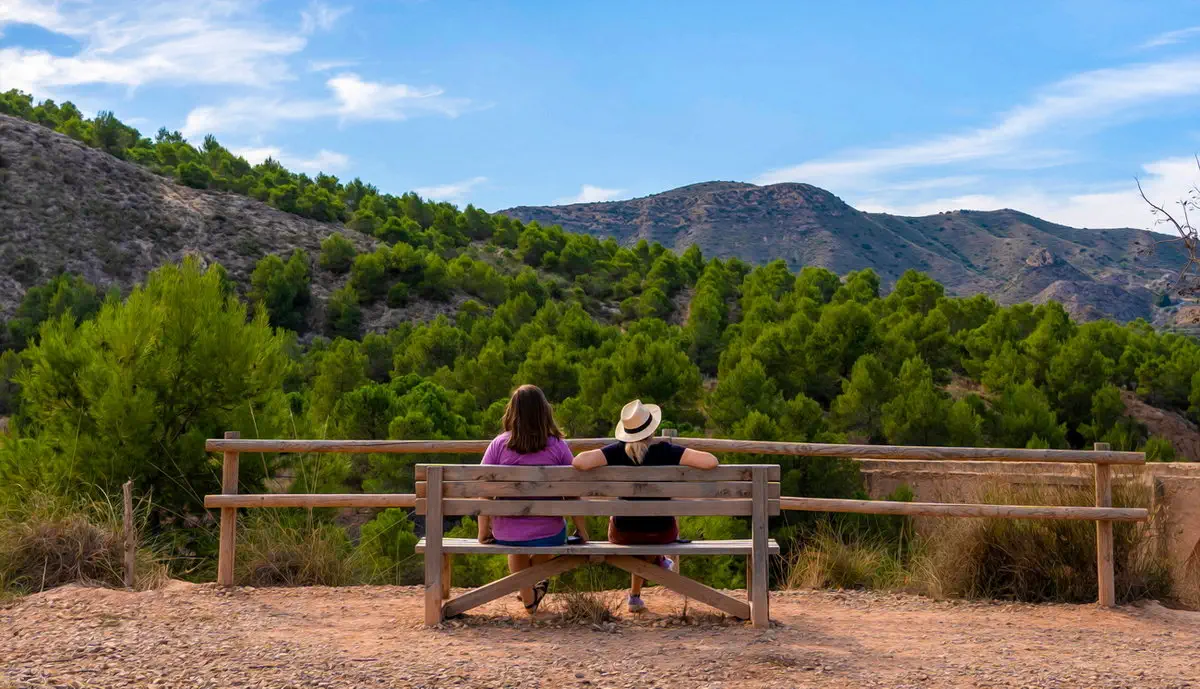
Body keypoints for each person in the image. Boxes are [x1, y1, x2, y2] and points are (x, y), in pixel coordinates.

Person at [572, 399, 718, 613]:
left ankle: (637, 593)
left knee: (635, 526)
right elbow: (711, 461)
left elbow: (579, 462)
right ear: (652, 429)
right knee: (649, 528)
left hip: (623, 534)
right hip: (662, 533)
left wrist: (609, 450)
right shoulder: (667, 451)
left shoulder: (616, 451)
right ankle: (657, 564)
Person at [477, 384, 589, 613]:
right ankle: (530, 598)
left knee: (516, 544)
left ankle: (527, 594)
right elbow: (573, 491)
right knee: (545, 537)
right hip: (549, 532)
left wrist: (483, 532)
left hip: (506, 532)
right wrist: (582, 530)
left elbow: (483, 490)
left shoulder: (498, 445)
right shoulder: (558, 446)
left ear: (512, 412)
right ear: (544, 411)